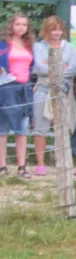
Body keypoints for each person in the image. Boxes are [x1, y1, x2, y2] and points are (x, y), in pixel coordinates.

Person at [31, 16, 76, 176]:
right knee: (40, 127)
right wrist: (60, 67)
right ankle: (40, 164)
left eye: (58, 29)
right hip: (43, 89)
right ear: (46, 30)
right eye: (52, 29)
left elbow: (73, 69)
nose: (56, 33)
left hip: (63, 91)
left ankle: (64, 163)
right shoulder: (38, 46)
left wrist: (51, 67)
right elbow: (39, 68)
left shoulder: (70, 47)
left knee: (64, 127)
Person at [0, 13, 35, 178]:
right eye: (18, 24)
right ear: (11, 26)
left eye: (24, 25)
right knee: (3, 128)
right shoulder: (3, 44)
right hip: (7, 88)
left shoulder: (29, 45)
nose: (21, 27)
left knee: (23, 128)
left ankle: (22, 167)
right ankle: (2, 166)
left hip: (25, 89)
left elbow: (33, 66)